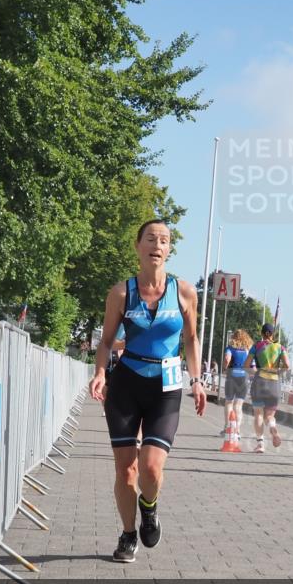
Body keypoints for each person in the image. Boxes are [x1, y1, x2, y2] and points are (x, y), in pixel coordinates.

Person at [89, 219, 207, 563]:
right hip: (126, 384)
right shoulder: (121, 293)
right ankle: (128, 535)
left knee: (151, 467)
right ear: (138, 246)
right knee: (126, 469)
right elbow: (107, 342)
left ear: (169, 250)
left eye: (165, 240)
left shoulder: (184, 292)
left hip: (166, 387)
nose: (158, 245)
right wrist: (100, 372)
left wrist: (197, 380)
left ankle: (149, 507)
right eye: (151, 238)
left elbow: (191, 338)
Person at [246, 323, 290, 453]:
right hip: (274, 384)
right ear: (273, 334)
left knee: (258, 414)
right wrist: (277, 373)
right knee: (269, 415)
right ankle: (273, 428)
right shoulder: (281, 348)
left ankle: (260, 444)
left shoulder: (256, 346)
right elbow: (287, 365)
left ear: (262, 333)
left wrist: (256, 372)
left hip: (259, 382)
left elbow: (246, 365)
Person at [223, 328, 253, 438]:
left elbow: (227, 358)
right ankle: (237, 430)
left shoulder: (230, 348)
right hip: (243, 378)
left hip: (232, 376)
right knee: (238, 405)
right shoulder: (248, 349)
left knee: (229, 402)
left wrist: (225, 368)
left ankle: (227, 427)